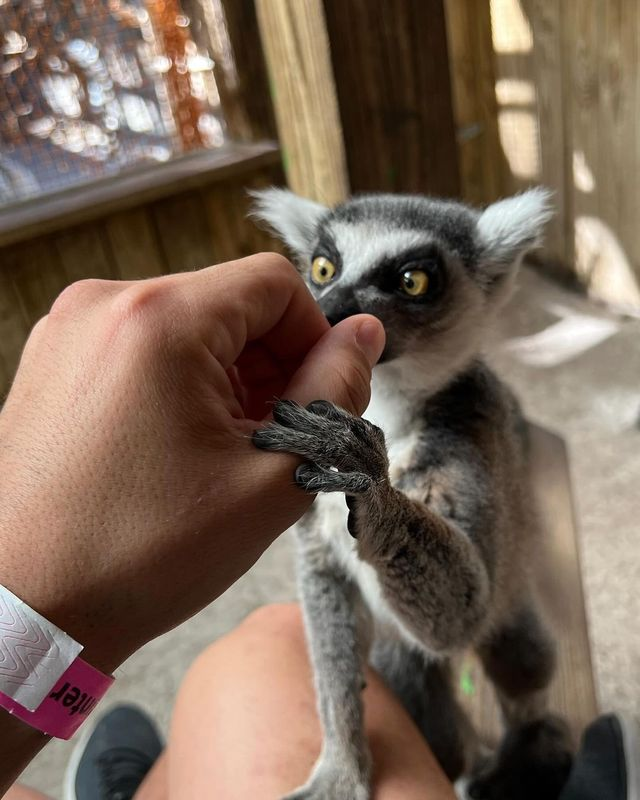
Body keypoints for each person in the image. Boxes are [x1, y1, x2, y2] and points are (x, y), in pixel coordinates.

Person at [1, 255, 636, 800]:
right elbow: (335, 584)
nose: (338, 302)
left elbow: (452, 625)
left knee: (515, 653)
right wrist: (343, 755)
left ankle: (137, 791)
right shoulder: (307, 428)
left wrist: (27, 603)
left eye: (412, 279)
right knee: (323, 665)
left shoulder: (467, 423)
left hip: (471, 590)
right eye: (327, 270)